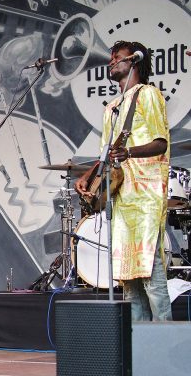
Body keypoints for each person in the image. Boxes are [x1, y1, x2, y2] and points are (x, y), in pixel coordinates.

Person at [75, 41, 171, 321]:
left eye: (117, 58)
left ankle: (165, 341)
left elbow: (160, 143)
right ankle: (138, 346)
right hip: (123, 197)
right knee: (129, 278)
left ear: (134, 62)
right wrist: (87, 175)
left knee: (150, 269)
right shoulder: (112, 108)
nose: (110, 62)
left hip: (146, 194)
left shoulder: (149, 94)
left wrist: (128, 152)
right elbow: (106, 155)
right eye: (111, 58)